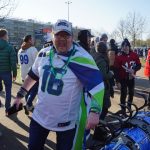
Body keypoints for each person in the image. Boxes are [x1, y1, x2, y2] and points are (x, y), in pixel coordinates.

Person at [14, 19, 104, 150]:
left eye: (66, 35)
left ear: (72, 37)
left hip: (66, 124)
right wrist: (20, 95)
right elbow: (32, 76)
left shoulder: (82, 58)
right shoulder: (43, 53)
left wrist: (95, 111)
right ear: (52, 36)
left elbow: (97, 85)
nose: (62, 39)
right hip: (40, 117)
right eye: (58, 35)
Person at [114, 39, 141, 114]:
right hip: (122, 78)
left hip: (131, 78)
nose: (125, 47)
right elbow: (115, 70)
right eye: (124, 46)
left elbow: (139, 65)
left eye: (127, 46)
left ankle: (129, 108)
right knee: (123, 94)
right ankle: (123, 110)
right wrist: (117, 81)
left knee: (131, 93)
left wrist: (134, 69)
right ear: (122, 47)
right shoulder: (119, 56)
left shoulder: (134, 55)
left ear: (129, 46)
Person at [18, 35, 38, 115]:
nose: (34, 41)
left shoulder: (20, 50)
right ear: (29, 40)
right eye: (33, 39)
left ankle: (29, 105)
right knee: (34, 90)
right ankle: (28, 104)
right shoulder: (33, 49)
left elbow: (19, 63)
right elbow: (37, 62)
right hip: (31, 74)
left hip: (23, 73)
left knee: (27, 91)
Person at [0, 29, 17, 115]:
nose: (8, 37)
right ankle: (7, 109)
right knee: (8, 91)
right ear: (4, 36)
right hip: (6, 72)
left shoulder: (10, 47)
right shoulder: (10, 47)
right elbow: (13, 63)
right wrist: (14, 74)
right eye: (7, 35)